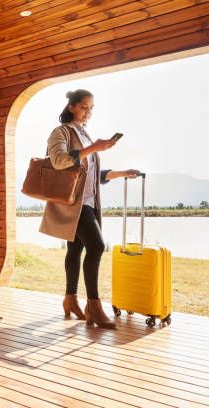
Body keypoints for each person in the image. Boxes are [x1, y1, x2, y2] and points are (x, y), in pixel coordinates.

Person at [39, 89, 139, 329]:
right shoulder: (61, 132)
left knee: (76, 249)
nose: (88, 112)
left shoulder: (85, 135)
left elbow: (93, 174)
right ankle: (93, 305)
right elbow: (58, 160)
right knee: (97, 246)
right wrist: (93, 148)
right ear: (71, 107)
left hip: (90, 202)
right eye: (84, 107)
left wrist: (122, 173)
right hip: (75, 203)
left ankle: (70, 300)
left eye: (91, 108)